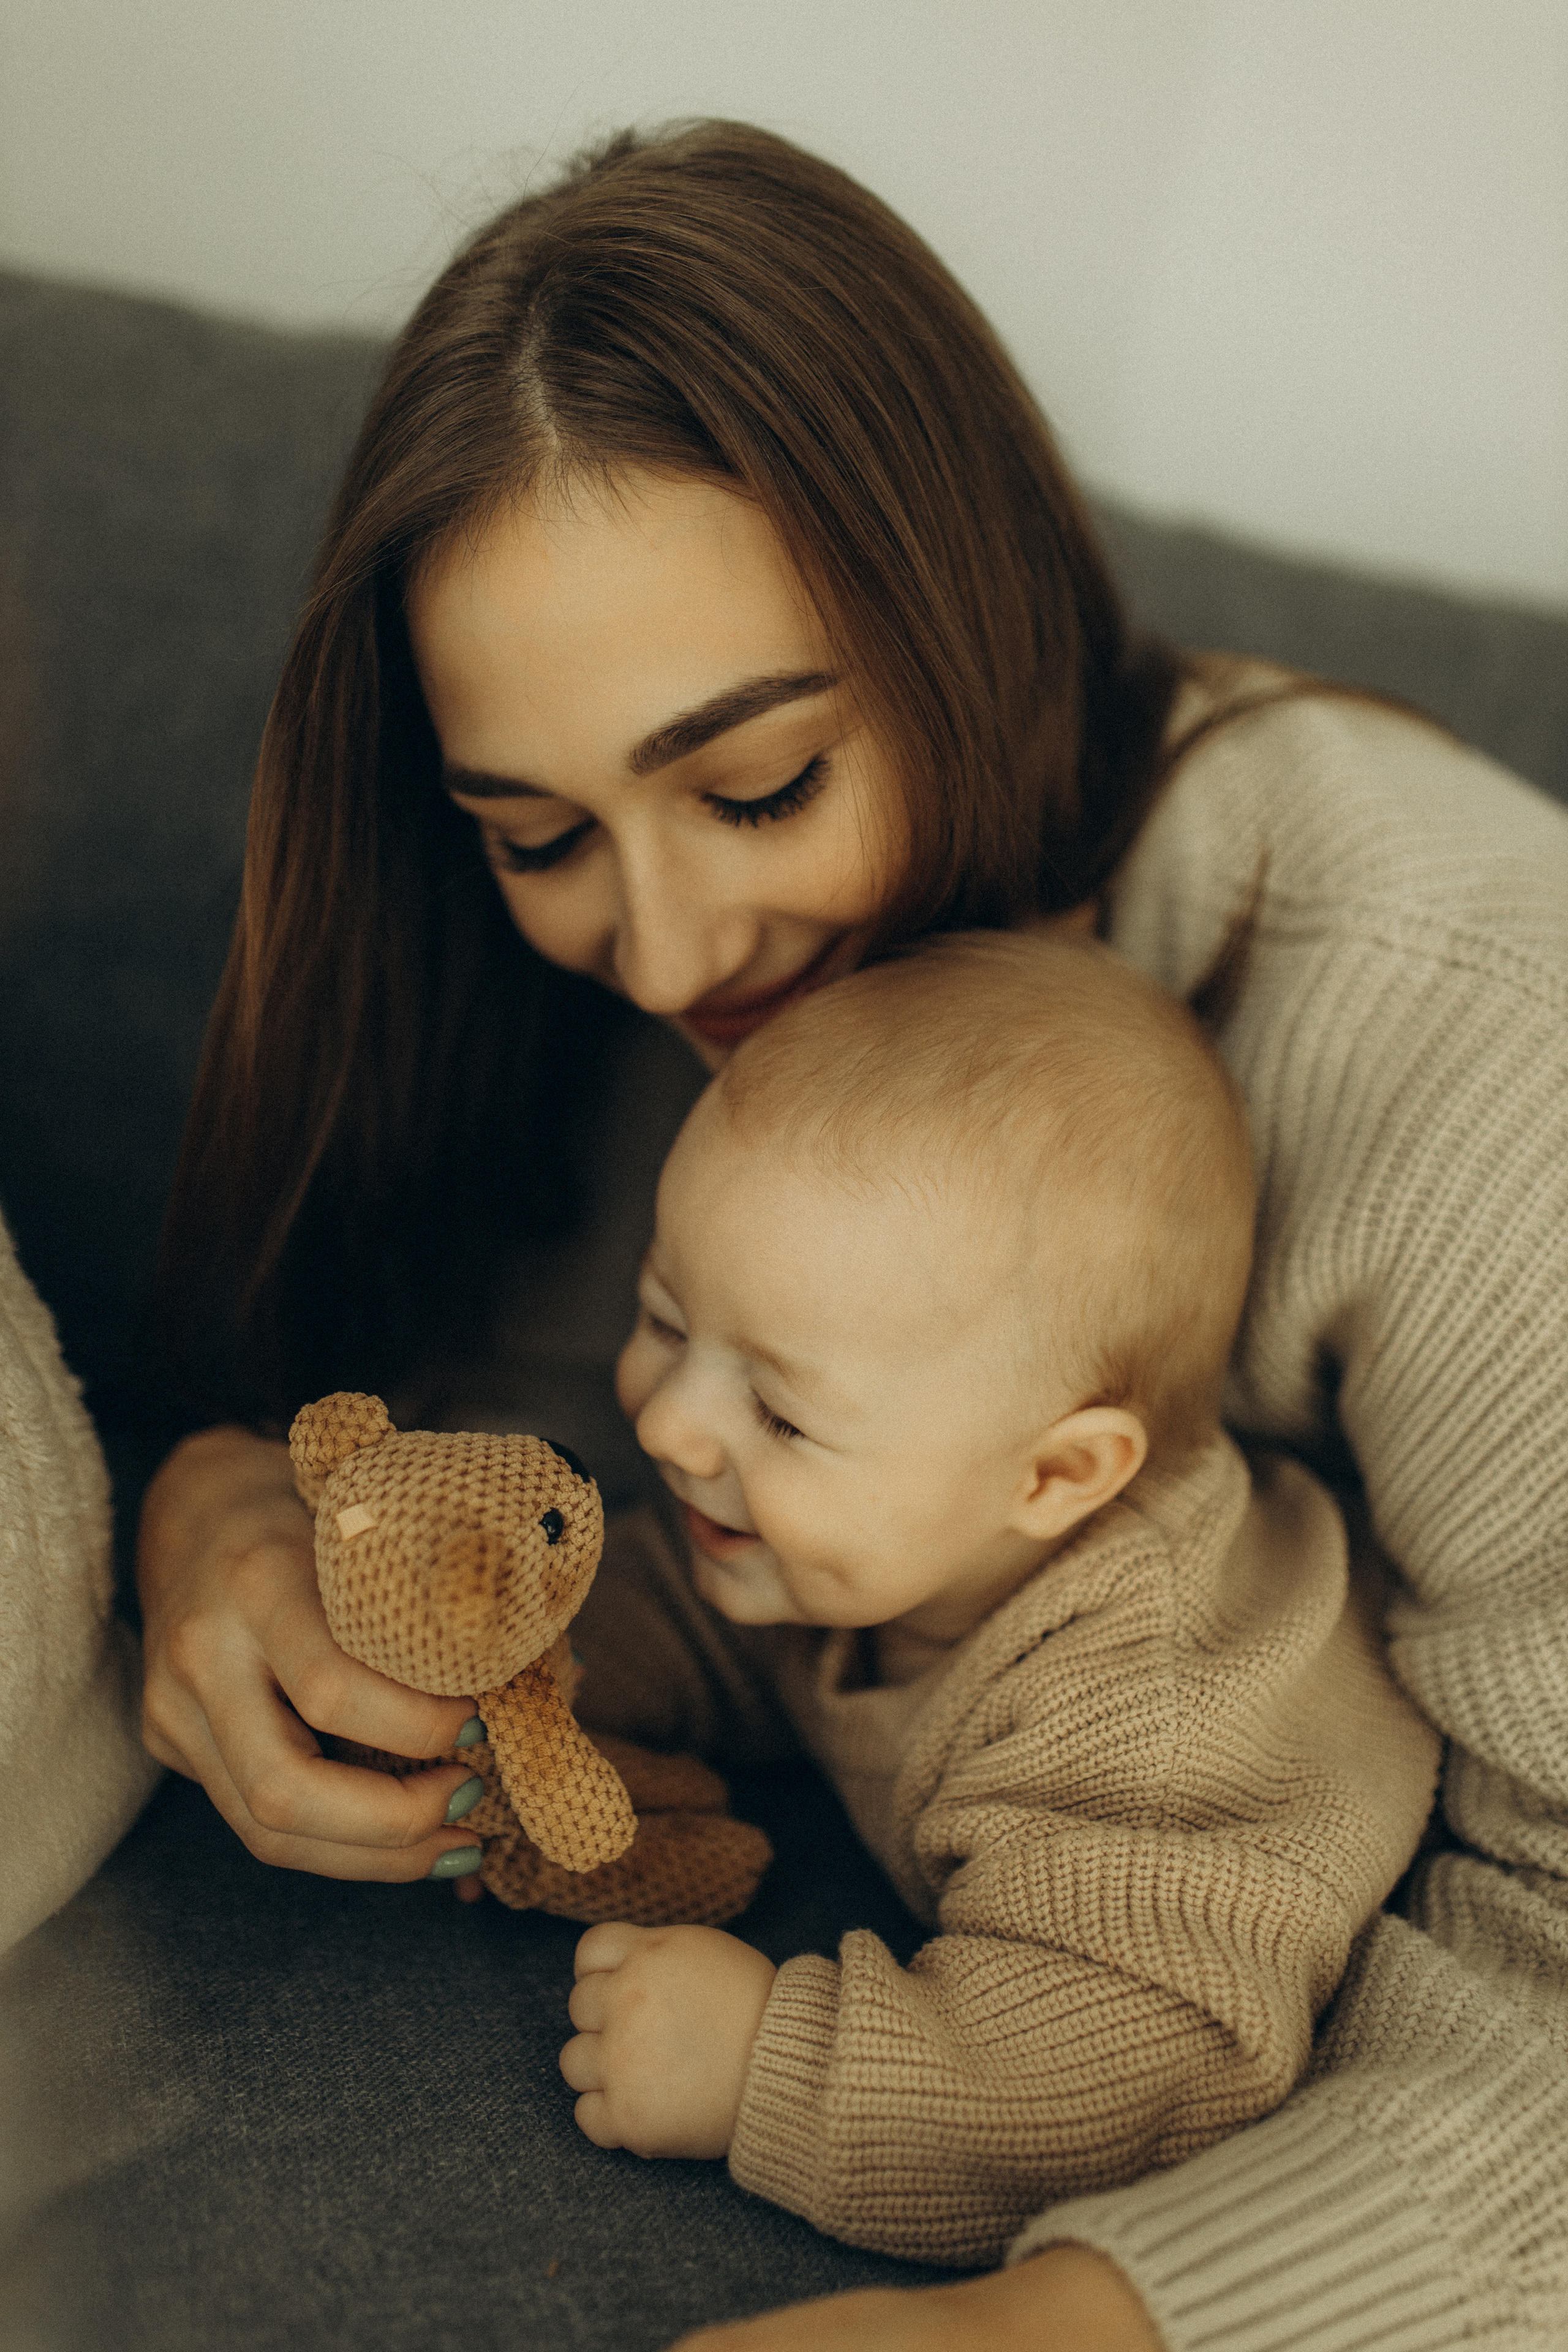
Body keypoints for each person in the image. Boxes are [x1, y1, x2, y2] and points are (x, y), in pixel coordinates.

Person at [135, 121, 1568, 2350]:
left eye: (761, 783)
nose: (667, 947)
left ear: (965, 614)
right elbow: (529, 1432)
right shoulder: (667, 972)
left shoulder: (1484, 1063)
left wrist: (1084, 2322)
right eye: (536, 832)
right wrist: (219, 1513)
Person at [554, 932, 1441, 2264]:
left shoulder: (1147, 1730)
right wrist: (530, 1657)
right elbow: (726, 1627)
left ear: (1056, 1475)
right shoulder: (885, 1528)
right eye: (670, 1320)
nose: (674, 1426)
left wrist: (769, 2068)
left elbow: (1127, 2083)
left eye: (781, 1417)